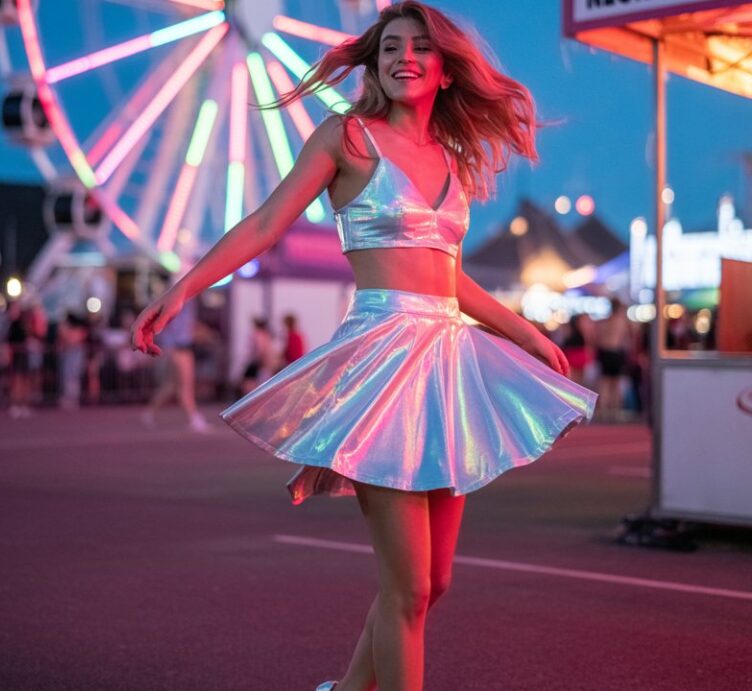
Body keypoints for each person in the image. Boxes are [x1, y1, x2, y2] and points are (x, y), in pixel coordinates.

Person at [131, 3, 597, 689]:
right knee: (406, 590)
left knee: (434, 584)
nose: (403, 58)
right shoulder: (345, 138)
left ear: (444, 68)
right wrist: (184, 286)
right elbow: (264, 222)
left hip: (449, 365)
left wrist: (523, 330)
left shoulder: (454, 160)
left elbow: (451, 277)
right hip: (381, 367)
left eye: (419, 48)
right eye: (389, 50)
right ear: (375, 66)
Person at [141, 297, 209, 432]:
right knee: (185, 385)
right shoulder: (183, 302)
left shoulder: (180, 304)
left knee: (171, 385)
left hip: (176, 349)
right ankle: (193, 418)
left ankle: (149, 413)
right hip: (180, 349)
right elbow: (178, 328)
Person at [595, 297, 631, 420]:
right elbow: (626, 338)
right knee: (615, 384)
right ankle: (615, 411)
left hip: (604, 352)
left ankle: (603, 410)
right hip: (615, 353)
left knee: (604, 383)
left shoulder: (604, 322)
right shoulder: (621, 321)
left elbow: (597, 339)